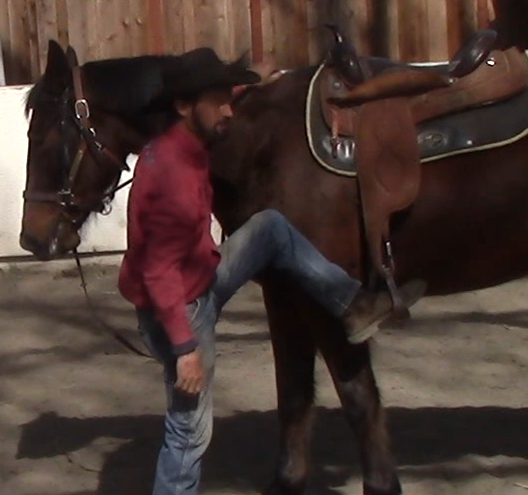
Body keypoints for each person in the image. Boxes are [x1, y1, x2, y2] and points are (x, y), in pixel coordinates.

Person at [117, 47, 426, 495]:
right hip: (180, 311)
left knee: (272, 228)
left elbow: (219, 108)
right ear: (185, 106)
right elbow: (160, 272)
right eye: (219, 101)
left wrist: (250, 82)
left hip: (202, 277)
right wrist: (185, 349)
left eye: (230, 98)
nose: (229, 111)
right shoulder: (173, 178)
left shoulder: (181, 137)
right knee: (189, 432)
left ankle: (354, 304)